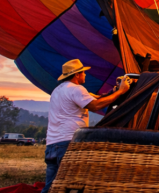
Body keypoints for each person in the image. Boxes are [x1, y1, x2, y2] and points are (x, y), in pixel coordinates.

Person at [43, 59, 131, 193]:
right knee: (73, 185)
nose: (85, 75)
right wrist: (121, 92)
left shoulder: (57, 91)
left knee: (51, 187)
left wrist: (114, 91)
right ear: (77, 74)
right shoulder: (76, 89)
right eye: (84, 73)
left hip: (52, 144)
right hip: (68, 144)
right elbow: (96, 105)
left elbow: (96, 98)